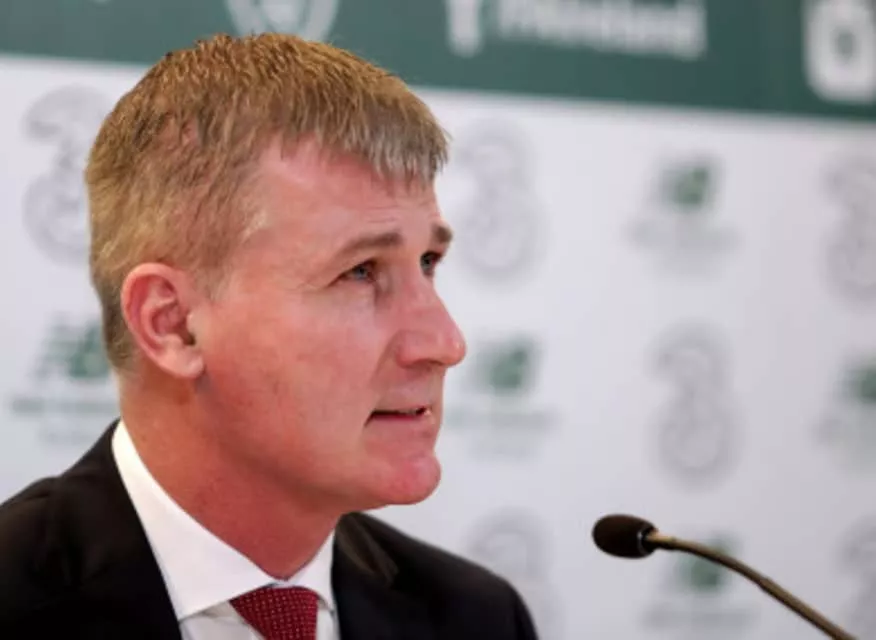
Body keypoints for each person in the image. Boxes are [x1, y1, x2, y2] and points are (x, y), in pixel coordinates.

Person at [0, 33, 539, 639]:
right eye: (361, 272)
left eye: (429, 262)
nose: (445, 343)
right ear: (172, 324)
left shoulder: (477, 619)